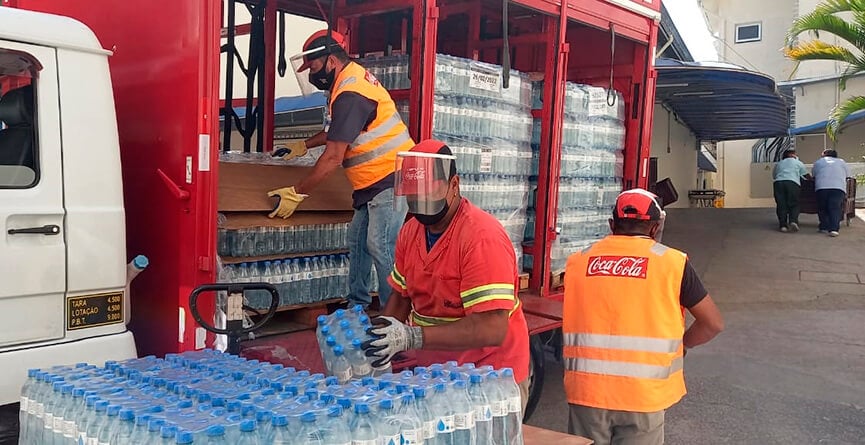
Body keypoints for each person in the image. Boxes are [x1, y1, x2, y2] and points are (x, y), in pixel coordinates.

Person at [362, 139, 532, 410]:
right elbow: (401, 295)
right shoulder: (411, 231)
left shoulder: (480, 238)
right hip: (439, 373)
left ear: (454, 185)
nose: (420, 204)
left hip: (488, 375)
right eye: (413, 196)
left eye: (428, 196)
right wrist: (383, 336)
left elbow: (492, 328)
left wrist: (412, 337)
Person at [562, 188, 724, 445]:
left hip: (587, 394)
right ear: (655, 228)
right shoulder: (672, 263)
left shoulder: (577, 262)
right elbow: (712, 323)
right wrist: (683, 346)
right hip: (642, 396)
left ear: (611, 224)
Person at [268, 30, 413, 308]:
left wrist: (296, 193)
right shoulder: (348, 82)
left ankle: (392, 316)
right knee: (358, 244)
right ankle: (356, 306)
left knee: (381, 247)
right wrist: (303, 145)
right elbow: (338, 131)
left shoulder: (351, 91)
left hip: (389, 179)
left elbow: (334, 156)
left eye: (314, 67)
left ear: (331, 61)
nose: (312, 74)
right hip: (370, 184)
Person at [812, 149, 851, 237]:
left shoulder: (819, 162)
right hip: (838, 187)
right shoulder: (842, 162)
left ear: (825, 154)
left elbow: (813, 175)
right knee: (835, 207)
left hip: (822, 187)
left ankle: (824, 227)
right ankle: (834, 229)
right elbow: (848, 175)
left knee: (822, 207)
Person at [772, 149, 810, 232]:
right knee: (794, 203)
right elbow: (806, 175)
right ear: (792, 155)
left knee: (781, 204)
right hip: (792, 183)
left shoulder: (779, 163)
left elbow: (774, 176)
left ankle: (783, 226)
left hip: (778, 183)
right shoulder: (798, 163)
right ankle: (793, 221)